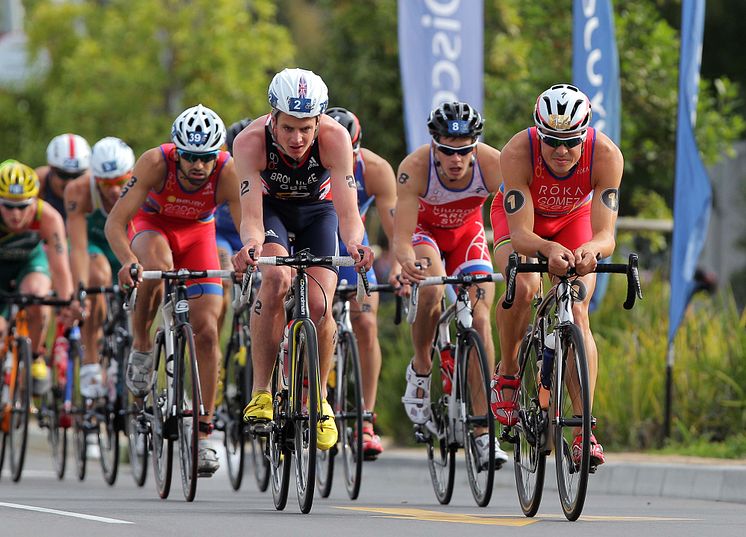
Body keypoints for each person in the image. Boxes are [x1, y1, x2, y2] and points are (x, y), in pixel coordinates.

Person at [231, 68, 374, 452]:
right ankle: (262, 390)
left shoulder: (335, 137)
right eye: (288, 127)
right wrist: (250, 247)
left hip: (318, 212)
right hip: (273, 211)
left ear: (318, 122)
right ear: (272, 118)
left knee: (319, 304)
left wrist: (356, 245)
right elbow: (251, 217)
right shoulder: (248, 142)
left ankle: (319, 401)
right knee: (275, 279)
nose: (297, 138)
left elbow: (348, 213)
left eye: (305, 129)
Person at [489, 84, 623, 468]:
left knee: (578, 311)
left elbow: (606, 235)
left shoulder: (607, 155)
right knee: (526, 284)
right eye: (552, 141)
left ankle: (583, 430)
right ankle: (510, 372)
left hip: (574, 222)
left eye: (570, 142)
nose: (561, 151)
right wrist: (547, 250)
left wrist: (591, 251)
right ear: (538, 133)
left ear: (585, 135)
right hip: (523, 224)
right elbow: (521, 235)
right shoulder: (517, 151)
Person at [104, 104, 242, 476]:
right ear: (177, 151)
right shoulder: (154, 163)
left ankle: (202, 431)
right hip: (153, 226)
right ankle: (143, 345)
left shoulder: (228, 170)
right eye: (191, 158)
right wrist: (126, 261)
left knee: (209, 331)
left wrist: (248, 258)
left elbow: (249, 231)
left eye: (206, 158)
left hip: (198, 232)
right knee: (157, 269)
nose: (198, 166)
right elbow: (116, 224)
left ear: (218, 155)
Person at [392, 101, 509, 468]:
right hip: (425, 235)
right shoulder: (415, 168)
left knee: (480, 318)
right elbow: (401, 235)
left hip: (467, 235)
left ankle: (483, 432)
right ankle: (423, 366)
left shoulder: (494, 164)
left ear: (475, 144)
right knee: (429, 287)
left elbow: (515, 209)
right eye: (446, 150)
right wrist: (407, 262)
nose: (456, 159)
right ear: (434, 145)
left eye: (464, 150)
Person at [326, 106, 398, 460]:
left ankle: (366, 419)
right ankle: (301, 386)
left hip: (352, 250)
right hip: (312, 242)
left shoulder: (375, 169)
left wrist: (399, 265)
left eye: (350, 152)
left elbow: (395, 228)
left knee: (366, 323)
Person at [64, 137, 135, 398]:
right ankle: (92, 361)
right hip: (95, 247)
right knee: (96, 279)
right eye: (106, 184)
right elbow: (79, 247)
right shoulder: (79, 190)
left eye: (121, 181)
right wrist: (80, 291)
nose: (115, 190)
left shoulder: (143, 184)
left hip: (126, 246)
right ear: (95, 179)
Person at [0, 160, 76, 394]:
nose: (15, 214)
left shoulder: (48, 217)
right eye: (8, 206)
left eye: (23, 206)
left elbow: (60, 266)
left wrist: (68, 301)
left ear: (35, 200)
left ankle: (34, 357)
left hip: (29, 265)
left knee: (39, 298)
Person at [36, 133, 92, 219]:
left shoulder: (95, 186)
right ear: (51, 169)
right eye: (63, 175)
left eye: (77, 176)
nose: (70, 183)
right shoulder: (38, 182)